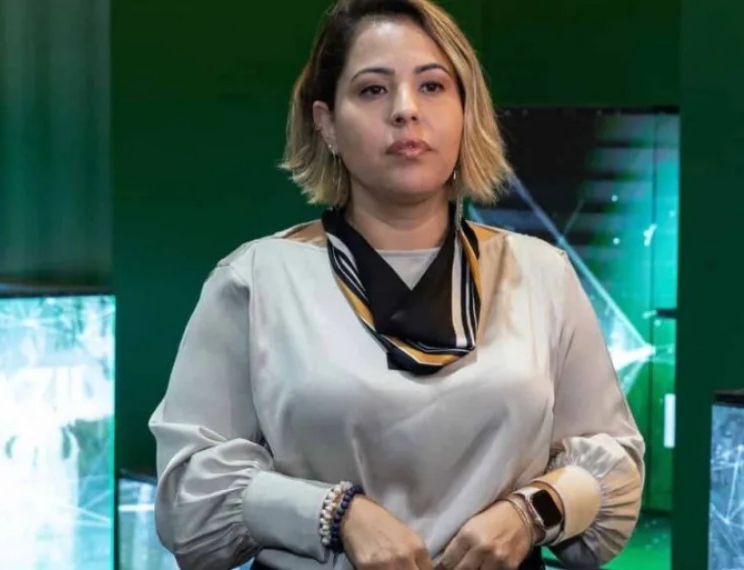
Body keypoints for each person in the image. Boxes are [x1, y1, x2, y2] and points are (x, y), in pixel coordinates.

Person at [148, 0, 645, 568]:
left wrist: (533, 511)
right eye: (372, 90)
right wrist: (334, 514)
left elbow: (615, 465)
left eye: (432, 86)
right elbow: (188, 499)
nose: (406, 110)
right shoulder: (256, 279)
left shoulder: (540, 274)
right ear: (326, 123)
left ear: (466, 112)